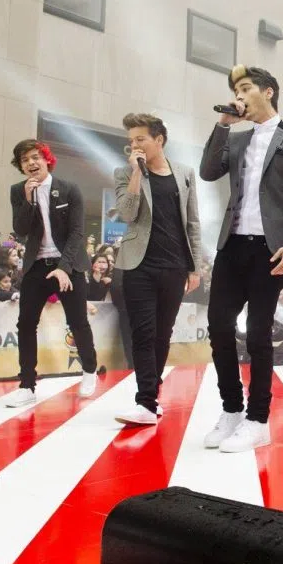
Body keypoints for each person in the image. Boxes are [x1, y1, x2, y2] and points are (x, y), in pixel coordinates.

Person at [199, 64, 283, 453]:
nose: (239, 95)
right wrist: (222, 123)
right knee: (218, 326)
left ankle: (258, 419)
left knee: (257, 332)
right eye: (236, 90)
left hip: (270, 249)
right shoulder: (235, 139)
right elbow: (206, 172)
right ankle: (232, 410)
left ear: (268, 92)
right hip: (231, 244)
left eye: (245, 88)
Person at [112, 113, 203, 426]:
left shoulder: (185, 173)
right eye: (131, 140)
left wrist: (195, 268)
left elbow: (192, 223)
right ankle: (146, 402)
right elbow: (126, 212)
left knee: (163, 335)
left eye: (140, 139)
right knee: (144, 333)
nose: (134, 145)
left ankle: (151, 393)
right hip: (138, 265)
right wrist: (137, 172)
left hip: (175, 266)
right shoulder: (124, 173)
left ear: (159, 140)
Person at [5, 140, 98, 407]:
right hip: (36, 265)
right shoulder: (18, 190)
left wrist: (63, 268)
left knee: (78, 321)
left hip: (68, 264)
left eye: (35, 158)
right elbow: (21, 230)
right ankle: (27, 385)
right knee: (25, 324)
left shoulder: (69, 189)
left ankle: (89, 370)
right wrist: (27, 199)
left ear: (47, 159)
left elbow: (77, 233)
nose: (31, 164)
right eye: (25, 161)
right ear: (21, 166)